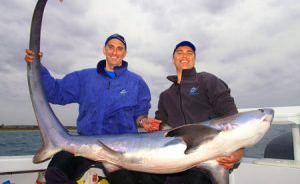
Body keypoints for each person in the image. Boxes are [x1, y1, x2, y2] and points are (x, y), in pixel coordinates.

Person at [25, 33, 161, 184]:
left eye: (119, 48)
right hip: (84, 145)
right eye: (111, 47)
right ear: (104, 50)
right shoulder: (84, 77)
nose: (114, 52)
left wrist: (143, 121)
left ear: (125, 53)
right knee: (54, 173)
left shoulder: (137, 83)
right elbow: (55, 92)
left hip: (120, 153)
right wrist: (38, 66)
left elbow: (139, 115)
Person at [154, 41, 244, 184]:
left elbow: (233, 119)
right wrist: (147, 123)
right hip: (176, 160)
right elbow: (159, 129)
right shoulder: (166, 95)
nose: (185, 55)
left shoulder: (207, 81)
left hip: (208, 157)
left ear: (194, 59)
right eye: (180, 52)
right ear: (173, 59)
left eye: (189, 53)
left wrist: (238, 152)